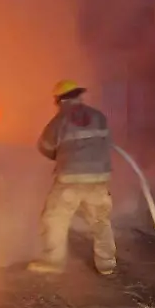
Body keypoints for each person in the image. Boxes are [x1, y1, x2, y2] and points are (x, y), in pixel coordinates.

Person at [27, 80, 117, 276]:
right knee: (101, 220)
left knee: (55, 218)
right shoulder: (99, 116)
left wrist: (60, 156)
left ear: (59, 100)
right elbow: (107, 143)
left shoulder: (59, 120)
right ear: (79, 96)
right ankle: (106, 264)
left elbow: (45, 146)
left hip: (70, 180)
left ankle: (53, 261)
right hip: (99, 179)